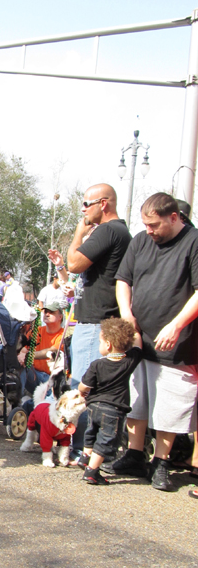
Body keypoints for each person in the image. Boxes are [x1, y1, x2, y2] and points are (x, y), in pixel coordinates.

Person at [115, 193, 198, 491]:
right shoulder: (140, 240)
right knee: (137, 399)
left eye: (154, 225)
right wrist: (127, 315)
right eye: (145, 224)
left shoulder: (193, 242)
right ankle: (134, 454)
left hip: (175, 341)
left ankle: (161, 461)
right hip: (141, 336)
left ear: (174, 217)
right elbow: (123, 280)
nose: (148, 230)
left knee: (169, 404)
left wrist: (177, 325)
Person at [65, 183, 131, 460]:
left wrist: (79, 233)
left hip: (95, 322)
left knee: (82, 388)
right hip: (99, 320)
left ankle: (81, 448)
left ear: (103, 204)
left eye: (86, 204)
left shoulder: (108, 230)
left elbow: (74, 263)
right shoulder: (121, 231)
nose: (82, 210)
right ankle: (90, 449)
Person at [78, 319, 143, 484]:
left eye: (100, 342)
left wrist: (82, 392)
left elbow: (84, 385)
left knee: (91, 431)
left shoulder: (97, 364)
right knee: (106, 440)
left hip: (93, 405)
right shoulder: (129, 361)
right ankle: (91, 471)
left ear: (108, 345)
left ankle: (86, 456)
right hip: (113, 409)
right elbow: (138, 346)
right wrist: (133, 329)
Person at [18, 303, 65, 399]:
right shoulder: (37, 331)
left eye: (51, 312)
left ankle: (19, 401)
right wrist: (22, 353)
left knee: (24, 366)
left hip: (51, 379)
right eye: (46, 311)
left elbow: (51, 351)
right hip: (34, 374)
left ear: (60, 317)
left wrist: (27, 355)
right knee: (20, 364)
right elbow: (23, 347)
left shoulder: (63, 335)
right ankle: (16, 399)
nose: (47, 314)